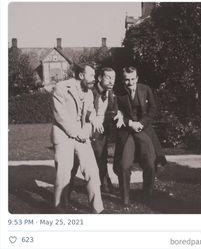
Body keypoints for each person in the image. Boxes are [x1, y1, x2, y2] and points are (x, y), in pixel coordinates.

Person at [51, 63, 104, 214]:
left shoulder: (89, 92)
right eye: (91, 75)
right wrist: (77, 133)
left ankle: (98, 210)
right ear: (81, 76)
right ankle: (59, 209)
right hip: (63, 135)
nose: (95, 79)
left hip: (81, 135)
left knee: (92, 171)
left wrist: (93, 120)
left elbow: (89, 112)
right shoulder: (61, 87)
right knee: (64, 174)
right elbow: (60, 116)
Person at [114, 66, 166, 207]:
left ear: (137, 78)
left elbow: (153, 109)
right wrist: (129, 122)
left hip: (143, 130)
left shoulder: (145, 89)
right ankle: (125, 198)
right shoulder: (118, 93)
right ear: (123, 80)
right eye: (126, 79)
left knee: (150, 163)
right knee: (124, 165)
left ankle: (147, 195)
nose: (130, 82)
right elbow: (115, 113)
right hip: (127, 132)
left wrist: (141, 124)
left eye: (132, 79)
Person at [91, 67, 124, 193]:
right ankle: (104, 184)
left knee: (103, 156)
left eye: (114, 78)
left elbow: (115, 109)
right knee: (100, 155)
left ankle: (105, 183)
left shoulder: (111, 93)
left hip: (104, 129)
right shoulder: (92, 92)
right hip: (92, 128)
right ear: (100, 78)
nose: (112, 81)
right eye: (108, 77)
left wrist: (119, 114)